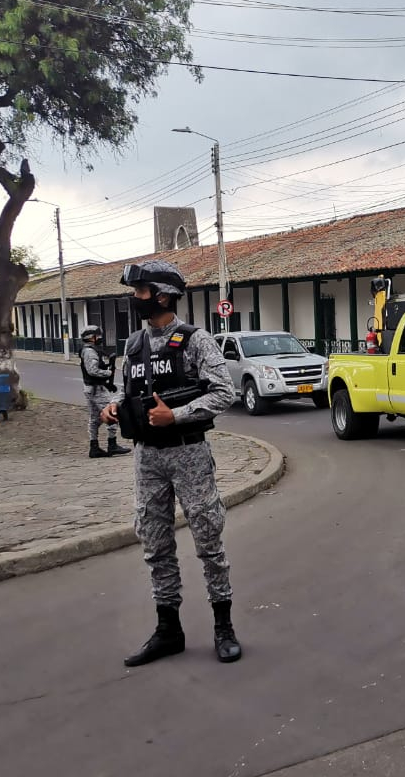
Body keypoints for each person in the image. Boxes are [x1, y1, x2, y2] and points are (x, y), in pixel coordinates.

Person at [100, 259, 241, 666]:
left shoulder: (197, 341)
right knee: (154, 542)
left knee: (208, 540)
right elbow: (128, 391)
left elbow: (223, 392)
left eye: (141, 292)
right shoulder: (133, 345)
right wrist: (114, 407)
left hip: (188, 452)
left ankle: (223, 625)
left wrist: (175, 415)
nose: (135, 298)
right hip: (147, 457)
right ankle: (168, 629)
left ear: (162, 297)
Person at [79, 325, 130, 458]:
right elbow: (92, 370)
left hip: (92, 388)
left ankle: (94, 447)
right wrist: (108, 373)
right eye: (98, 335)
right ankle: (112, 444)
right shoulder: (90, 352)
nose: (100, 338)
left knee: (95, 418)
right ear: (91, 337)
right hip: (96, 389)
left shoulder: (89, 350)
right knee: (112, 413)